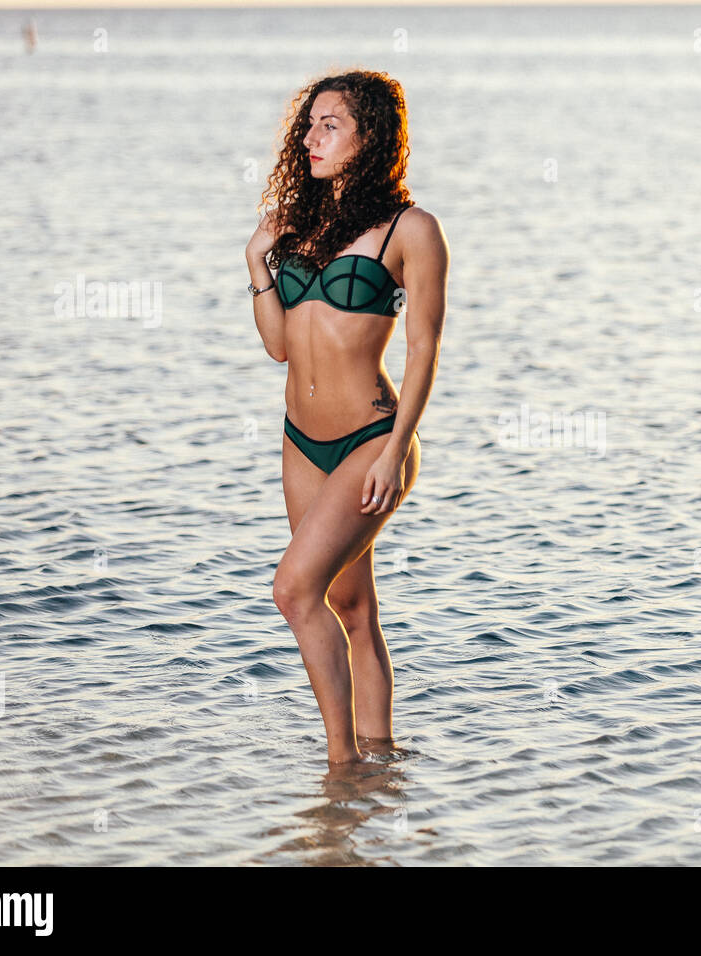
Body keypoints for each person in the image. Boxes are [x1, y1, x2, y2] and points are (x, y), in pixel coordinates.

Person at [245, 71, 449, 767]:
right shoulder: (300, 225)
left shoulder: (410, 230)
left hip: (371, 438)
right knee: (352, 610)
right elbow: (278, 346)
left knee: (293, 590)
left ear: (371, 139)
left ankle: (341, 770)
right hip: (300, 445)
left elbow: (423, 349)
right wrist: (258, 263)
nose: (310, 137)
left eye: (329, 125)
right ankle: (380, 757)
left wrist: (395, 451)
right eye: (308, 124)